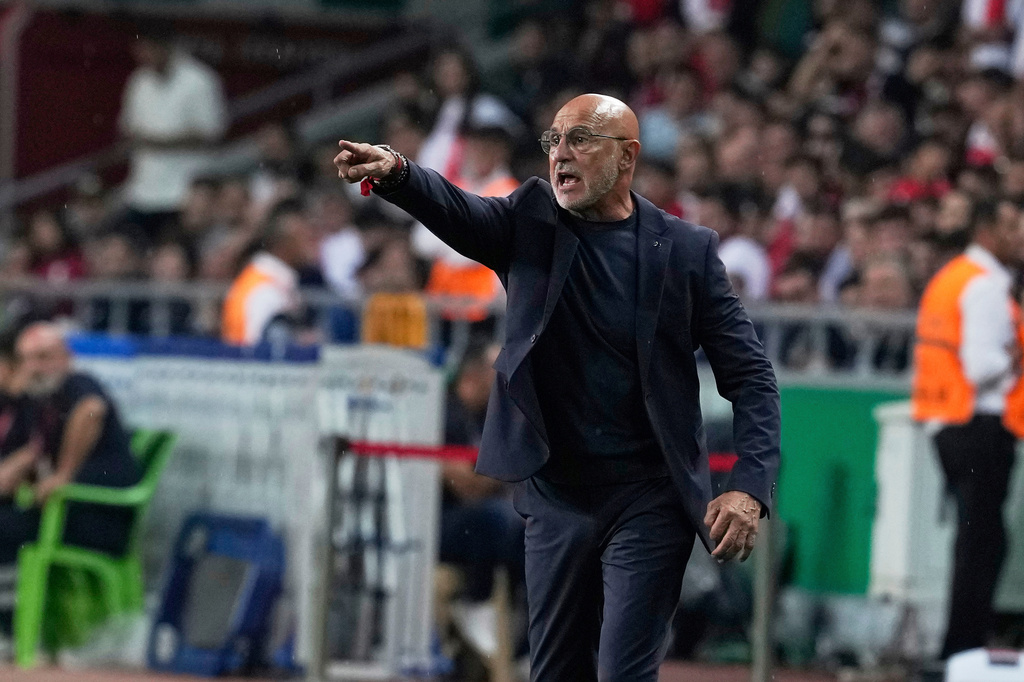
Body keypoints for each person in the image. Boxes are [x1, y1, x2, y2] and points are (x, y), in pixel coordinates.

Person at [335, 93, 780, 681]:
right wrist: (398, 172)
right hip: (557, 496)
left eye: (580, 139)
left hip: (649, 498)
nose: (560, 154)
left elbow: (751, 375)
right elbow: (461, 212)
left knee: (624, 673)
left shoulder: (686, 251)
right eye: (553, 141)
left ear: (628, 156)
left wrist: (748, 485)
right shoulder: (530, 223)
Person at [912, 198, 1024, 660]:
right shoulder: (987, 285)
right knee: (983, 542)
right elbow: (982, 366)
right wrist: (1016, 359)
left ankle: (961, 646)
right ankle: (963, 648)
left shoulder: (954, 275)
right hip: (979, 421)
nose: (1020, 236)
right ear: (988, 230)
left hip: (949, 419)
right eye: (1014, 226)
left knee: (977, 537)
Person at [0, 323, 143, 635]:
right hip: (60, 513)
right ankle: (13, 628)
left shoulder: (78, 384)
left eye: (43, 357)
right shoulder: (40, 403)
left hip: (98, 518)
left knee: (6, 528)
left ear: (65, 357)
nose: (35, 368)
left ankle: (11, 631)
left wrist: (64, 473)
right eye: (28, 359)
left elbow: (91, 411)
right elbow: (23, 459)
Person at [118, 24, 227, 240]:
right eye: (140, 50)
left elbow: (211, 133)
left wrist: (157, 142)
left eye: (148, 48)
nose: (144, 55)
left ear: (164, 46)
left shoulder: (199, 79)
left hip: (183, 191)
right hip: (143, 189)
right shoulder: (138, 81)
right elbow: (127, 127)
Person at [221, 199, 320, 346]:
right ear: (283, 245)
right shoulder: (264, 289)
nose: (312, 244)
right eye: (304, 238)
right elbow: (257, 349)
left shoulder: (272, 279)